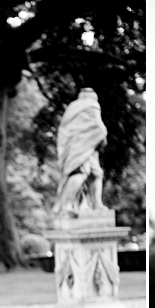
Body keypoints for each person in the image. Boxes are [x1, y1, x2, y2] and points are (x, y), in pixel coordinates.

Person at [52, 87, 108, 215]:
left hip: (77, 146)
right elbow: (98, 125)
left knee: (96, 173)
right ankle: (67, 204)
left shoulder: (72, 107)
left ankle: (96, 204)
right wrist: (102, 136)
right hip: (81, 146)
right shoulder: (92, 104)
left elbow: (63, 128)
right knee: (82, 172)